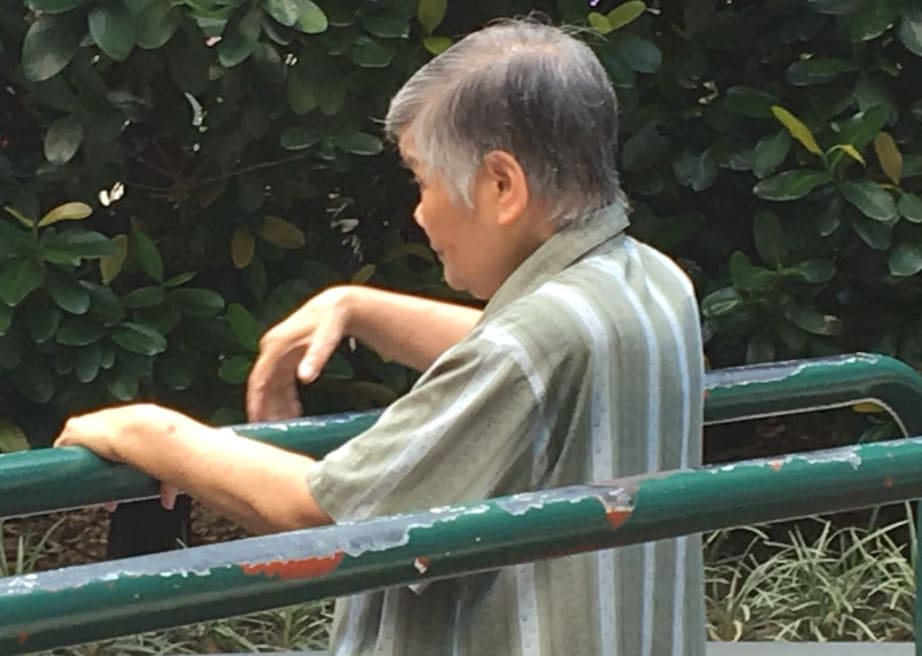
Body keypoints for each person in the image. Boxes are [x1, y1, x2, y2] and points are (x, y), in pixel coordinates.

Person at [55, 19, 706, 656]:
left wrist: (150, 434)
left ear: (503, 186)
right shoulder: (649, 282)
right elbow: (524, 354)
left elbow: (322, 512)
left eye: (423, 181)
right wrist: (359, 307)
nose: (418, 212)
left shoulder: (534, 344)